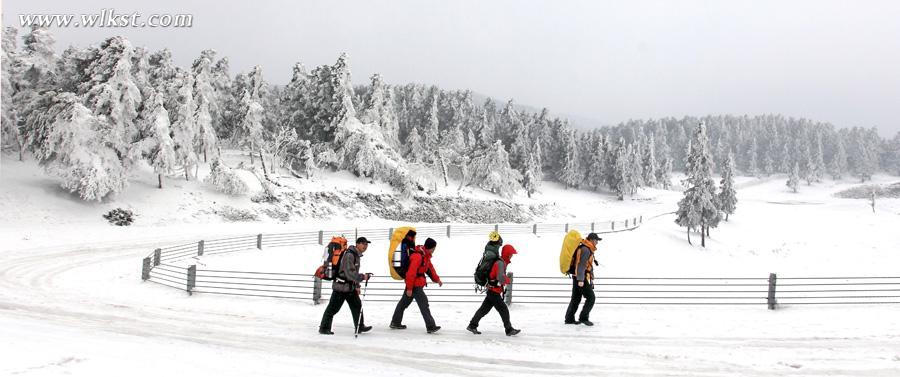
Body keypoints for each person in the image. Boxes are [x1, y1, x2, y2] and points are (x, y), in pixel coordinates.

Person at [318, 237, 373, 335]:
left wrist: (357, 285)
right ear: (357, 244)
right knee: (333, 308)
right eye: (363, 244)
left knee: (357, 306)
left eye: (366, 244)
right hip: (341, 287)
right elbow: (349, 273)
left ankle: (359, 326)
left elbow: (353, 272)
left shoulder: (356, 255)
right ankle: (324, 328)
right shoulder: (349, 255)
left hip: (349, 287)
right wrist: (363, 277)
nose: (365, 246)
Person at [390, 237, 443, 333]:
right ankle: (431, 326)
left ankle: (395, 322)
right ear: (430, 247)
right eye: (434, 248)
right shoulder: (418, 256)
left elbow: (430, 269)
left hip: (415, 284)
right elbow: (411, 273)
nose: (434, 250)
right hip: (415, 285)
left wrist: (437, 279)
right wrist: (410, 288)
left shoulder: (425, 255)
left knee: (403, 304)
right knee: (424, 305)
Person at [467, 244, 521, 336]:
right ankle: (509, 330)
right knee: (504, 310)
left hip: (492, 290)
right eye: (511, 254)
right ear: (507, 254)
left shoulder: (501, 262)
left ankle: (472, 325)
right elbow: (500, 278)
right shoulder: (500, 263)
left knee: (483, 310)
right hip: (493, 292)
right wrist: (508, 280)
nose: (512, 256)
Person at [564, 232, 601, 326]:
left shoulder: (585, 248)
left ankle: (569, 319)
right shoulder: (586, 249)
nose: (597, 242)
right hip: (580, 277)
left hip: (577, 276)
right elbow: (580, 265)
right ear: (591, 240)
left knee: (576, 298)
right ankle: (583, 318)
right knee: (591, 297)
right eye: (596, 240)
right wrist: (580, 280)